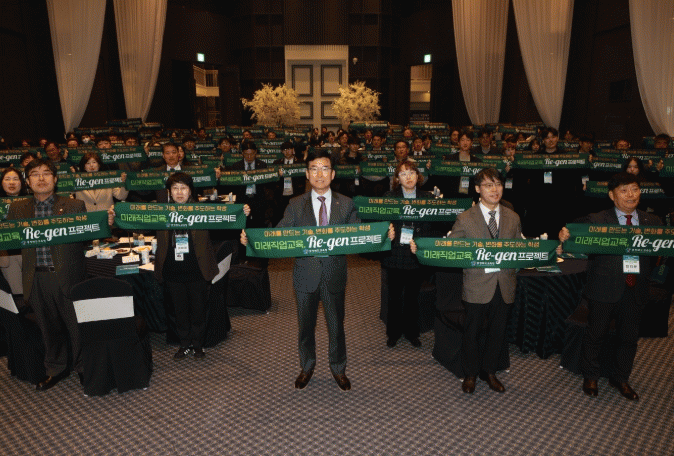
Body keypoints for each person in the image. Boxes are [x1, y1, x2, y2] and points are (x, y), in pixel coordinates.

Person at [240, 150, 389, 391]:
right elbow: (279, 234)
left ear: (333, 174)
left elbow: (360, 235)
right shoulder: (295, 204)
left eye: (325, 168)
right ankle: (306, 366)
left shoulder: (346, 203)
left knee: (336, 327)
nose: (320, 174)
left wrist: (383, 235)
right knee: (306, 327)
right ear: (307, 174)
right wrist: (253, 239)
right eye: (314, 169)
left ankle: (338, 368)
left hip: (333, 274)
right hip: (305, 275)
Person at [558, 172, 662, 400]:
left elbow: (658, 254)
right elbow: (573, 233)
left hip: (636, 288)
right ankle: (591, 375)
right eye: (624, 191)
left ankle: (621, 378)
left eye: (634, 189)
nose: (630, 195)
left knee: (629, 338)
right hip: (604, 286)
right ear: (612, 195)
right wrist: (565, 233)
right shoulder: (597, 220)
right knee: (595, 334)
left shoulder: (653, 222)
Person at [433, 167, 522, 394]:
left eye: (498, 184)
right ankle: (470, 373)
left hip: (504, 284)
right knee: (471, 332)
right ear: (477, 189)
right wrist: (423, 248)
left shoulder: (513, 217)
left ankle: (489, 371)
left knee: (497, 332)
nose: (495, 189)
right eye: (488, 185)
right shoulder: (465, 218)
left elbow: (520, 250)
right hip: (476, 285)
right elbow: (451, 248)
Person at [6, 159, 88, 390]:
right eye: (34, 174)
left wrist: (105, 222)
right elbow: (11, 240)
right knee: (47, 327)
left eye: (46, 173)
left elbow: (85, 237)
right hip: (36, 278)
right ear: (28, 181)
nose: (41, 178)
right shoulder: (17, 209)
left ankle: (83, 367)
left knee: (76, 327)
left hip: (67, 276)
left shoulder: (74, 205)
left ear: (55, 178)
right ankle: (56, 368)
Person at [150, 173, 249, 359]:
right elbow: (134, 218)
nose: (179, 192)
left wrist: (242, 211)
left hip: (197, 269)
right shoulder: (160, 212)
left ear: (190, 191)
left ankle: (198, 344)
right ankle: (184, 344)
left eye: (183, 188)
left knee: (198, 310)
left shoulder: (202, 210)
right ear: (169, 192)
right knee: (179, 311)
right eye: (175, 188)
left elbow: (226, 217)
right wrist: (117, 214)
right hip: (172, 270)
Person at [382, 160, 433, 348]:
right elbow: (381, 222)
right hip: (395, 252)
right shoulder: (389, 197)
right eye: (403, 173)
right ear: (397, 178)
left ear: (418, 176)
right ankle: (393, 333)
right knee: (394, 296)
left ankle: (412, 332)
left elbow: (431, 226)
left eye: (411, 172)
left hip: (415, 251)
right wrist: (387, 231)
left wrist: (421, 243)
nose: (408, 177)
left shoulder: (427, 197)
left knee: (413, 296)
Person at [1, 168, 28, 295]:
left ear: (22, 182)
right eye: (7, 179)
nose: (11, 182)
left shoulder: (32, 201)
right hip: (7, 255)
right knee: (17, 294)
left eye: (15, 179)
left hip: (30, 252)